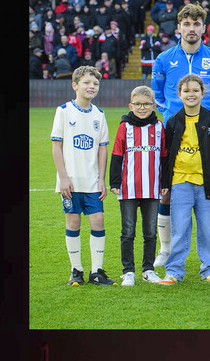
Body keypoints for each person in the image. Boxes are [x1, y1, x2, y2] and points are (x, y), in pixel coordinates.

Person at [151, 2, 210, 269]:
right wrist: (171, 116)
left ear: (203, 27)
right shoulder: (164, 59)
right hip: (173, 132)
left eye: (197, 24)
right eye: (187, 24)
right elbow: (157, 94)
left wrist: (209, 117)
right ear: (179, 27)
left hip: (206, 132)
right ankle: (165, 249)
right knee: (167, 191)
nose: (192, 28)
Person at [158, 74, 210, 285]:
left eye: (195, 90)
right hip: (180, 182)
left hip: (205, 183)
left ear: (203, 93)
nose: (191, 94)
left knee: (207, 227)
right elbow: (167, 154)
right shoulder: (174, 121)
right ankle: (174, 270)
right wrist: (166, 183)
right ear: (179, 94)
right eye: (186, 91)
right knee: (180, 228)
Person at [50, 65, 114, 286]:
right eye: (86, 82)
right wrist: (63, 177)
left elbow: (102, 148)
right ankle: (76, 270)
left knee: (98, 220)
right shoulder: (64, 111)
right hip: (71, 181)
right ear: (75, 85)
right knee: (73, 222)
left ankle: (96, 271)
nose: (91, 86)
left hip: (93, 181)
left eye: (95, 83)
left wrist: (102, 179)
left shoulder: (99, 114)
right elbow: (56, 146)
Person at [108, 85, 166, 286]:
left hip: (152, 188)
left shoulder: (159, 126)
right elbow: (116, 154)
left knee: (150, 232)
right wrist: (114, 181)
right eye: (138, 104)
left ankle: (148, 269)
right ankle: (128, 271)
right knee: (128, 231)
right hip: (128, 188)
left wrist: (165, 182)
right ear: (130, 105)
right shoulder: (124, 127)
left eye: (146, 104)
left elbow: (165, 156)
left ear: (153, 105)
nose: (142, 108)